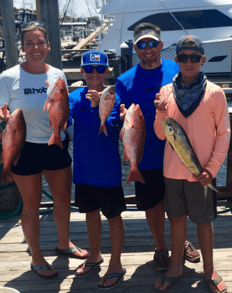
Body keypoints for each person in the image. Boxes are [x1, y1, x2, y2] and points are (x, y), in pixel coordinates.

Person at [0, 21, 88, 279]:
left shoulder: (58, 75)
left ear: (48, 45)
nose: (35, 47)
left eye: (40, 42)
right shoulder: (8, 77)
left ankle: (64, 243)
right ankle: (36, 256)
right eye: (30, 43)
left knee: (63, 199)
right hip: (24, 146)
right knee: (31, 203)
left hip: (55, 143)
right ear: (22, 47)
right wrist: (0, 115)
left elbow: (63, 110)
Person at [115, 22, 200, 272]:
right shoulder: (124, 80)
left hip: (176, 153)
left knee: (177, 205)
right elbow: (119, 115)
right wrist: (118, 116)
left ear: (161, 45)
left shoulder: (178, 69)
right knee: (152, 205)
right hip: (144, 155)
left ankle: (180, 241)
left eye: (153, 43)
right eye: (142, 44)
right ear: (135, 48)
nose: (148, 48)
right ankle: (161, 246)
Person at [153, 35, 229, 293]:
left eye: (194, 58)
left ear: (203, 60)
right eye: (183, 57)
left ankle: (208, 268)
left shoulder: (215, 93)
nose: (189, 62)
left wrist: (212, 168)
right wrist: (161, 112)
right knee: (176, 219)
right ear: (176, 60)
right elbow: (160, 134)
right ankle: (176, 265)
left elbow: (224, 135)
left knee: (203, 221)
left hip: (203, 172)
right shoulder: (164, 92)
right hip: (172, 171)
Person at [68, 50, 126, 290]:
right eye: (89, 69)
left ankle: (116, 263)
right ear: (82, 71)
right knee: (90, 213)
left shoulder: (114, 94)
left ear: (108, 72)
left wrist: (96, 107)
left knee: (113, 216)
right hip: (83, 169)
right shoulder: (72, 97)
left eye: (100, 69)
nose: (94, 74)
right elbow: (64, 123)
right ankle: (94, 255)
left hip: (108, 169)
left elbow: (113, 126)